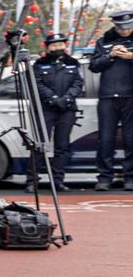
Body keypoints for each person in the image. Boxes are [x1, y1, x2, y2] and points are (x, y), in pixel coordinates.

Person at [32, 32, 82, 191]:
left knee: (62, 146)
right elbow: (37, 84)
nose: (58, 48)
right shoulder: (39, 64)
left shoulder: (73, 63)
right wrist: (53, 98)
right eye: (54, 45)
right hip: (46, 108)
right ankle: (31, 180)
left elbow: (78, 84)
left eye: (61, 45)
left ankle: (58, 180)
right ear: (48, 48)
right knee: (40, 145)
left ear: (65, 46)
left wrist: (66, 99)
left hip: (66, 109)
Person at [89, 10, 133, 190]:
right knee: (105, 139)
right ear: (115, 25)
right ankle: (105, 178)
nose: (125, 31)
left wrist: (131, 57)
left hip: (131, 96)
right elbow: (93, 66)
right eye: (121, 28)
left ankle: (130, 177)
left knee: (131, 139)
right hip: (108, 96)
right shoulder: (104, 41)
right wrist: (110, 55)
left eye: (128, 27)